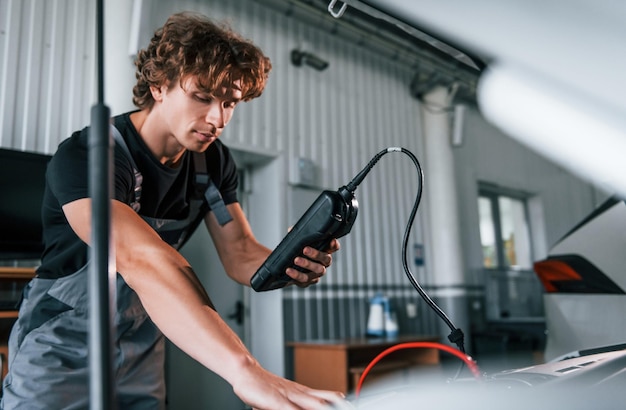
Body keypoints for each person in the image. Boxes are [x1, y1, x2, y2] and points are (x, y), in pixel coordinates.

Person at [1, 11, 345, 410]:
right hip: (61, 344)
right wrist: (243, 368)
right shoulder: (90, 155)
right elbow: (138, 258)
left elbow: (241, 254)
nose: (217, 118)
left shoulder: (213, 164)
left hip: (141, 345)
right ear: (159, 85)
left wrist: (289, 259)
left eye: (229, 103)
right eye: (202, 97)